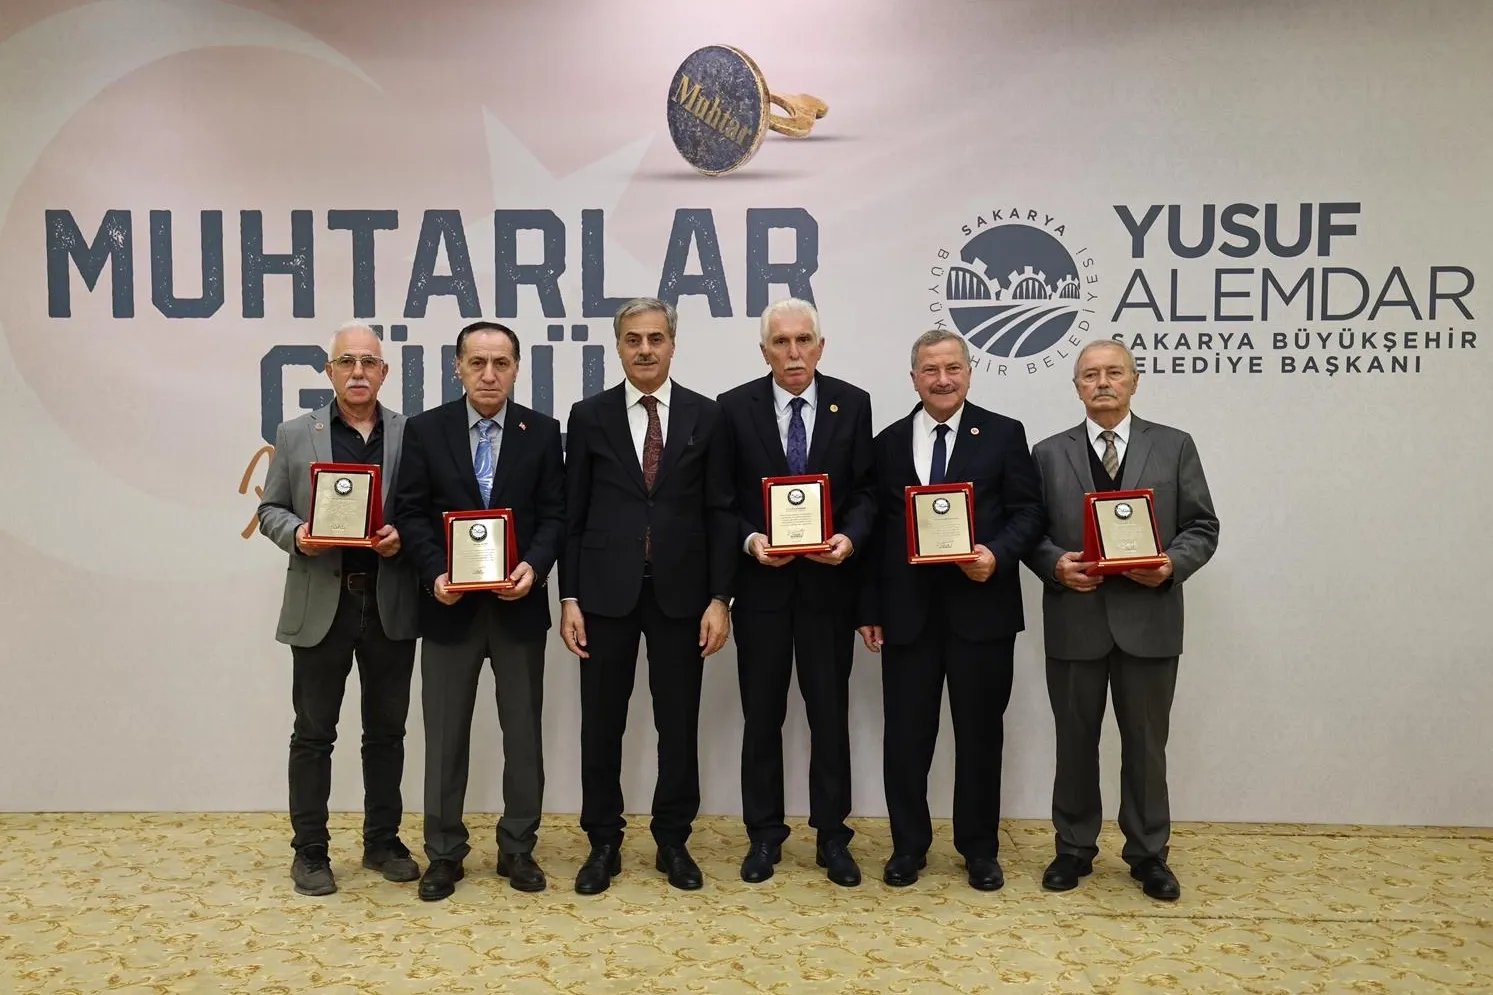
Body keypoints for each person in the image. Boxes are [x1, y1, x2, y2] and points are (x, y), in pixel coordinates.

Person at [1025, 338, 1219, 901]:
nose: (1103, 383)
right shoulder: (1047, 453)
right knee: (1074, 743)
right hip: (1075, 620)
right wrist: (1054, 565)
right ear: (1076, 387)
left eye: (1114, 373)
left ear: (1135, 381)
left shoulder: (1175, 445)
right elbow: (1029, 530)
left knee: (1146, 746)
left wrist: (1171, 566)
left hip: (1149, 623)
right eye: (1090, 375)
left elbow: (1202, 526)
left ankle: (1149, 855)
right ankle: (1073, 849)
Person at [558, 297, 736, 894]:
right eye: (633, 339)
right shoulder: (589, 415)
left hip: (683, 596)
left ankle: (672, 840)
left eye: (655, 338)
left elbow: (720, 512)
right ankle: (602, 841)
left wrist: (720, 598)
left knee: (677, 722)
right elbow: (574, 514)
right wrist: (569, 598)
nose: (645, 349)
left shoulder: (707, 416)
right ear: (618, 346)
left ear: (672, 345)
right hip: (604, 594)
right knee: (601, 723)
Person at [856, 329, 1044, 890]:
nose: (943, 380)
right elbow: (876, 532)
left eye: (952, 368)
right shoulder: (887, 443)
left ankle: (979, 850)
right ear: (913, 378)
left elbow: (1029, 513)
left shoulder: (1004, 434)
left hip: (982, 612)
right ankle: (908, 847)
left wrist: (997, 555)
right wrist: (869, 606)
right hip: (907, 616)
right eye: (931, 370)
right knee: (906, 738)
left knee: (980, 737)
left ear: (969, 373)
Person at [392, 321, 565, 900]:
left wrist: (534, 567)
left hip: (518, 607)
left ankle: (518, 848)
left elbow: (555, 515)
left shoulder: (542, 432)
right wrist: (434, 573)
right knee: (444, 737)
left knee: (523, 734)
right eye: (477, 363)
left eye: (501, 363)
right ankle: (444, 853)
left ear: (516, 369)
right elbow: (411, 513)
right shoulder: (426, 430)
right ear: (458, 367)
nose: (489, 375)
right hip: (450, 607)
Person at [257, 320, 420, 896]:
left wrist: (403, 536)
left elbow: (422, 510)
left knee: (387, 733)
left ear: (384, 372)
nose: (357, 372)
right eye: (347, 361)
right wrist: (299, 535)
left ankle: (382, 842)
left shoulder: (410, 434)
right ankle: (310, 852)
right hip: (322, 602)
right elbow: (271, 510)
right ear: (329, 371)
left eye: (368, 362)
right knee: (313, 734)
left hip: (389, 602)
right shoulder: (295, 434)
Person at [716, 298, 874, 886]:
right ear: (764, 352)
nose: (793, 352)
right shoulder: (733, 408)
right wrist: (751, 540)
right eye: (780, 342)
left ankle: (832, 835)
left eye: (803, 340)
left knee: (829, 717)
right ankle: (764, 835)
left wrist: (850, 539)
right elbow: (721, 501)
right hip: (762, 591)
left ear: (820, 346)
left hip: (829, 591)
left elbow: (866, 493)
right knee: (762, 717)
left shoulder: (852, 404)